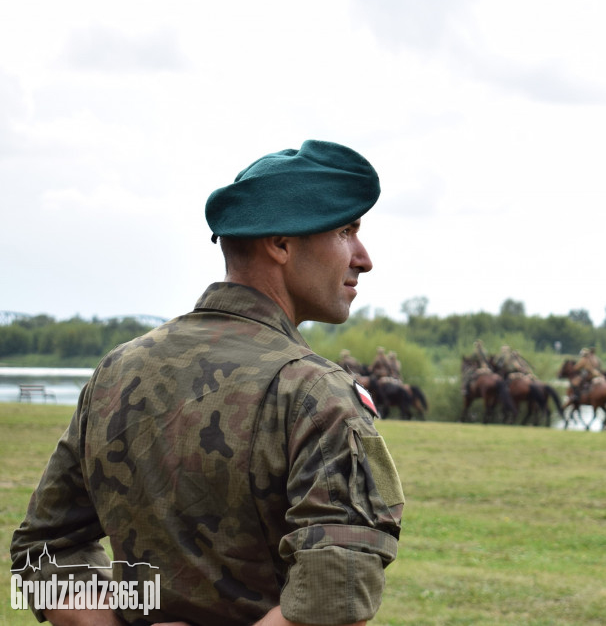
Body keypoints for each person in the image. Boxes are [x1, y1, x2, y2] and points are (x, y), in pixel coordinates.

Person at [10, 140, 404, 626]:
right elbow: (336, 595)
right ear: (280, 243)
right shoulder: (311, 391)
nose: (363, 259)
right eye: (346, 231)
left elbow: (42, 552)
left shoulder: (119, 370)